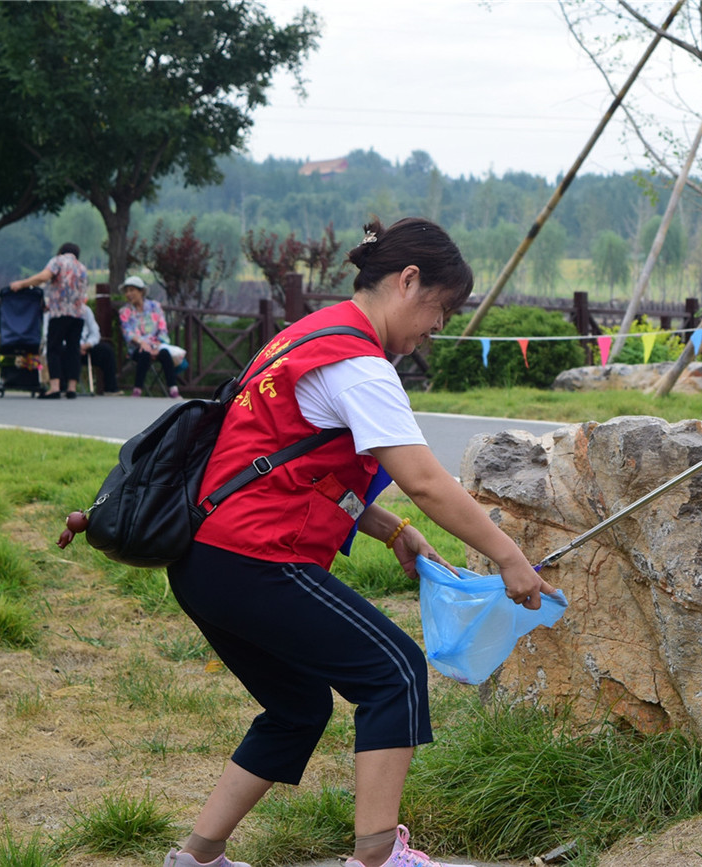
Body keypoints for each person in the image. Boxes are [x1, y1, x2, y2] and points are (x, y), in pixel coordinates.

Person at [162, 217, 557, 867]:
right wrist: (511, 558)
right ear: (408, 282)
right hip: (254, 557)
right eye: (443, 308)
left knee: (296, 706)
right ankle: (376, 858)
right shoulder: (359, 363)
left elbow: (290, 463)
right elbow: (426, 480)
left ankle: (197, 856)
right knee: (393, 672)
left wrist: (391, 528)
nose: (439, 327)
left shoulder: (306, 335)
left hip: (206, 560)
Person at [9, 242, 90, 399]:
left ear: (62, 251)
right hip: (78, 315)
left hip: (59, 313)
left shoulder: (58, 261)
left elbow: (43, 277)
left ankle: (55, 387)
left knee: (54, 349)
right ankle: (72, 388)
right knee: (73, 349)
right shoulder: (82, 268)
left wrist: (22, 283)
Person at [118, 276, 180, 398]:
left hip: (156, 344)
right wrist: (142, 343)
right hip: (137, 348)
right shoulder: (124, 311)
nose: (128, 294)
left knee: (165, 354)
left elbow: (163, 328)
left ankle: (173, 389)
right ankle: (137, 389)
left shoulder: (155, 306)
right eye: (126, 291)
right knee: (144, 354)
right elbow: (128, 332)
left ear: (141, 291)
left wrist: (157, 345)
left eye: (132, 290)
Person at [78, 305, 121, 395]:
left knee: (106, 350)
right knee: (60, 351)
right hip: (67, 346)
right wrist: (75, 346)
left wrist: (88, 344)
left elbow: (95, 333)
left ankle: (110, 388)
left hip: (86, 346)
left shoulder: (86, 310)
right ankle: (63, 387)